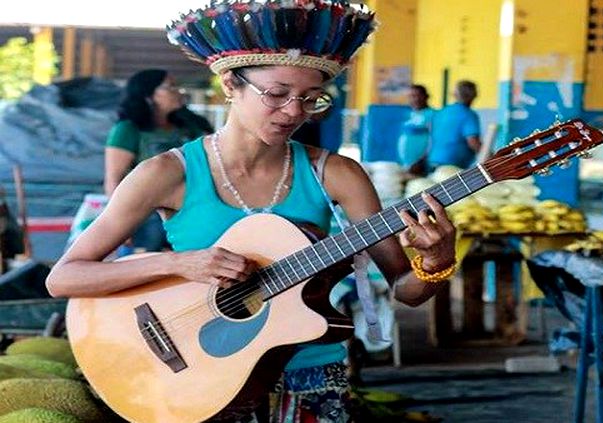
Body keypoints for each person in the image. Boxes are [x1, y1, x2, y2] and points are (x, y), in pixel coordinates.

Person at [46, 1, 457, 422]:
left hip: (310, 378)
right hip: (201, 380)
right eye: (276, 94)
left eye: (311, 99)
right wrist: (179, 263)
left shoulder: (337, 174)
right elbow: (64, 277)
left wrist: (437, 263)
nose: (294, 112)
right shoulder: (167, 173)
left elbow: (405, 290)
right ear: (229, 83)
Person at [104, 69, 213, 252]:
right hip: (147, 218)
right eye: (170, 87)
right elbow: (114, 178)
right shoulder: (128, 129)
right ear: (149, 95)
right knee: (146, 269)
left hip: (193, 211)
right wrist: (121, 225)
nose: (178, 91)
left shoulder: (191, 126)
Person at [427, 80, 482, 170]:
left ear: (454, 95)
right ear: (474, 95)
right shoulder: (468, 114)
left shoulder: (441, 112)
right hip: (452, 165)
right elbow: (473, 142)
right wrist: (493, 157)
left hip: (433, 160)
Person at [397, 84, 435, 175]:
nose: (415, 99)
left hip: (422, 166)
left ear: (426, 96)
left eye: (419, 96)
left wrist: (421, 161)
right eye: (412, 96)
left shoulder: (432, 115)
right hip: (406, 164)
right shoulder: (409, 115)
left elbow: (434, 141)